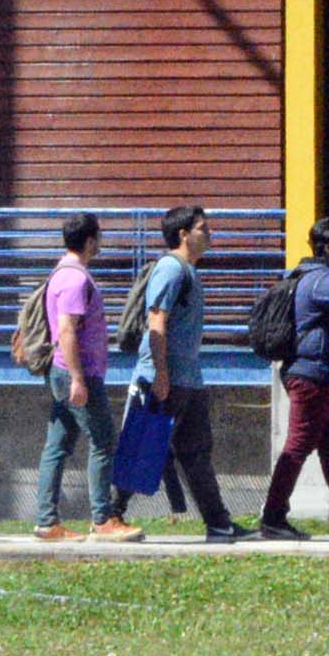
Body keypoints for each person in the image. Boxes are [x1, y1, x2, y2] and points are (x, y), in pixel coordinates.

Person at [112, 206, 241, 541]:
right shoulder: (170, 269)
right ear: (183, 234)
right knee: (142, 446)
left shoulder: (190, 271)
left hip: (189, 379)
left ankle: (219, 523)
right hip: (165, 377)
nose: (209, 234)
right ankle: (111, 516)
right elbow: (156, 321)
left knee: (197, 453)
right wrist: (160, 373)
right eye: (203, 228)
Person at [256, 218, 329, 540]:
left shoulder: (300, 274)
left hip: (317, 374)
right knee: (298, 446)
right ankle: (273, 516)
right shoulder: (325, 280)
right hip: (312, 374)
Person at [34, 212, 124, 540]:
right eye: (98, 237)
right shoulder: (75, 279)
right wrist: (78, 378)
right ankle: (103, 520)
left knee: (57, 445)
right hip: (77, 373)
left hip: (65, 372)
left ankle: (46, 521)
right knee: (103, 442)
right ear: (89, 241)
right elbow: (67, 331)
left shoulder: (62, 273)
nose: (100, 242)